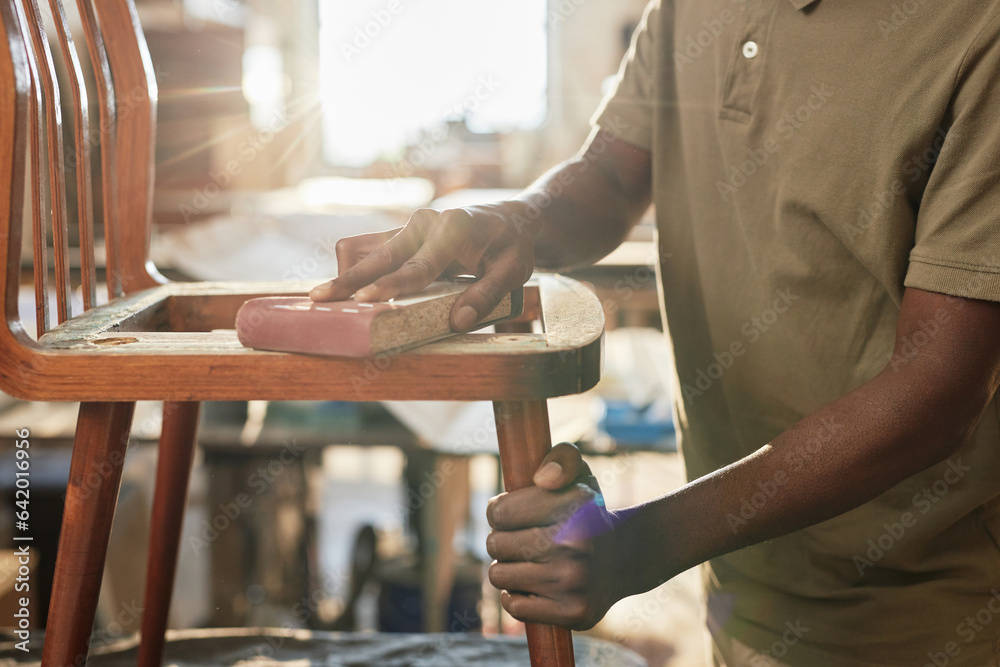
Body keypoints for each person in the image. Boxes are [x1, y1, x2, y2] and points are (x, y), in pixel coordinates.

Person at [310, 1, 1000, 664]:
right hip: (743, 594)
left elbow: (938, 385)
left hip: (935, 618)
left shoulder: (978, 28)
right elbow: (611, 176)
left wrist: (645, 540)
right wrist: (518, 219)